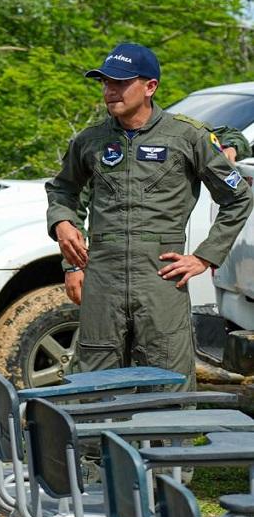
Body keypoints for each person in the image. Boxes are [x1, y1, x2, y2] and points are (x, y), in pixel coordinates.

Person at [46, 43, 253, 389]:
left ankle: (169, 444)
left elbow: (237, 198)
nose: (110, 91)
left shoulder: (188, 137)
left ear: (150, 86)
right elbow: (63, 190)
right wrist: (63, 225)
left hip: (160, 276)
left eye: (120, 83)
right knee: (92, 382)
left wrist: (204, 256)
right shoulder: (90, 140)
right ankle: (95, 446)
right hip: (103, 279)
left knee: (167, 375)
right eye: (105, 83)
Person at [63, 127, 250, 305]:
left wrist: (230, 146)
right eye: (110, 90)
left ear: (148, 91)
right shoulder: (95, 141)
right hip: (107, 271)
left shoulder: (178, 133)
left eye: (123, 90)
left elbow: (228, 135)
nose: (111, 94)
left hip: (159, 274)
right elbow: (72, 202)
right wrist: (73, 266)